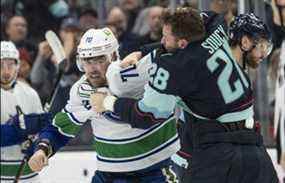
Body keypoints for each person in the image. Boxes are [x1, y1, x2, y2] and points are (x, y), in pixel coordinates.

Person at [90, 8, 279, 183]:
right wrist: (143, 51)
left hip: (218, 155)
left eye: (165, 37)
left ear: (182, 43)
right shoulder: (217, 27)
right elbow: (205, 17)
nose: (162, 42)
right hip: (255, 151)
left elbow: (146, 116)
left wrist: (108, 102)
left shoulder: (175, 68)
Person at [28, 28, 180, 183]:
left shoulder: (136, 75)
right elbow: (60, 129)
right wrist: (42, 150)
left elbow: (171, 49)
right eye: (87, 61)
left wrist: (141, 52)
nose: (93, 69)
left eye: (100, 60)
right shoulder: (81, 91)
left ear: (113, 56)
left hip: (155, 169)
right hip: (109, 174)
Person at [1, 41, 51, 182]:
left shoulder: (30, 93)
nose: (6, 70)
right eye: (1, 64)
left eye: (10, 64)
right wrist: (17, 130)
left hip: (30, 176)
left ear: (17, 66)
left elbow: (43, 134)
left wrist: (37, 143)